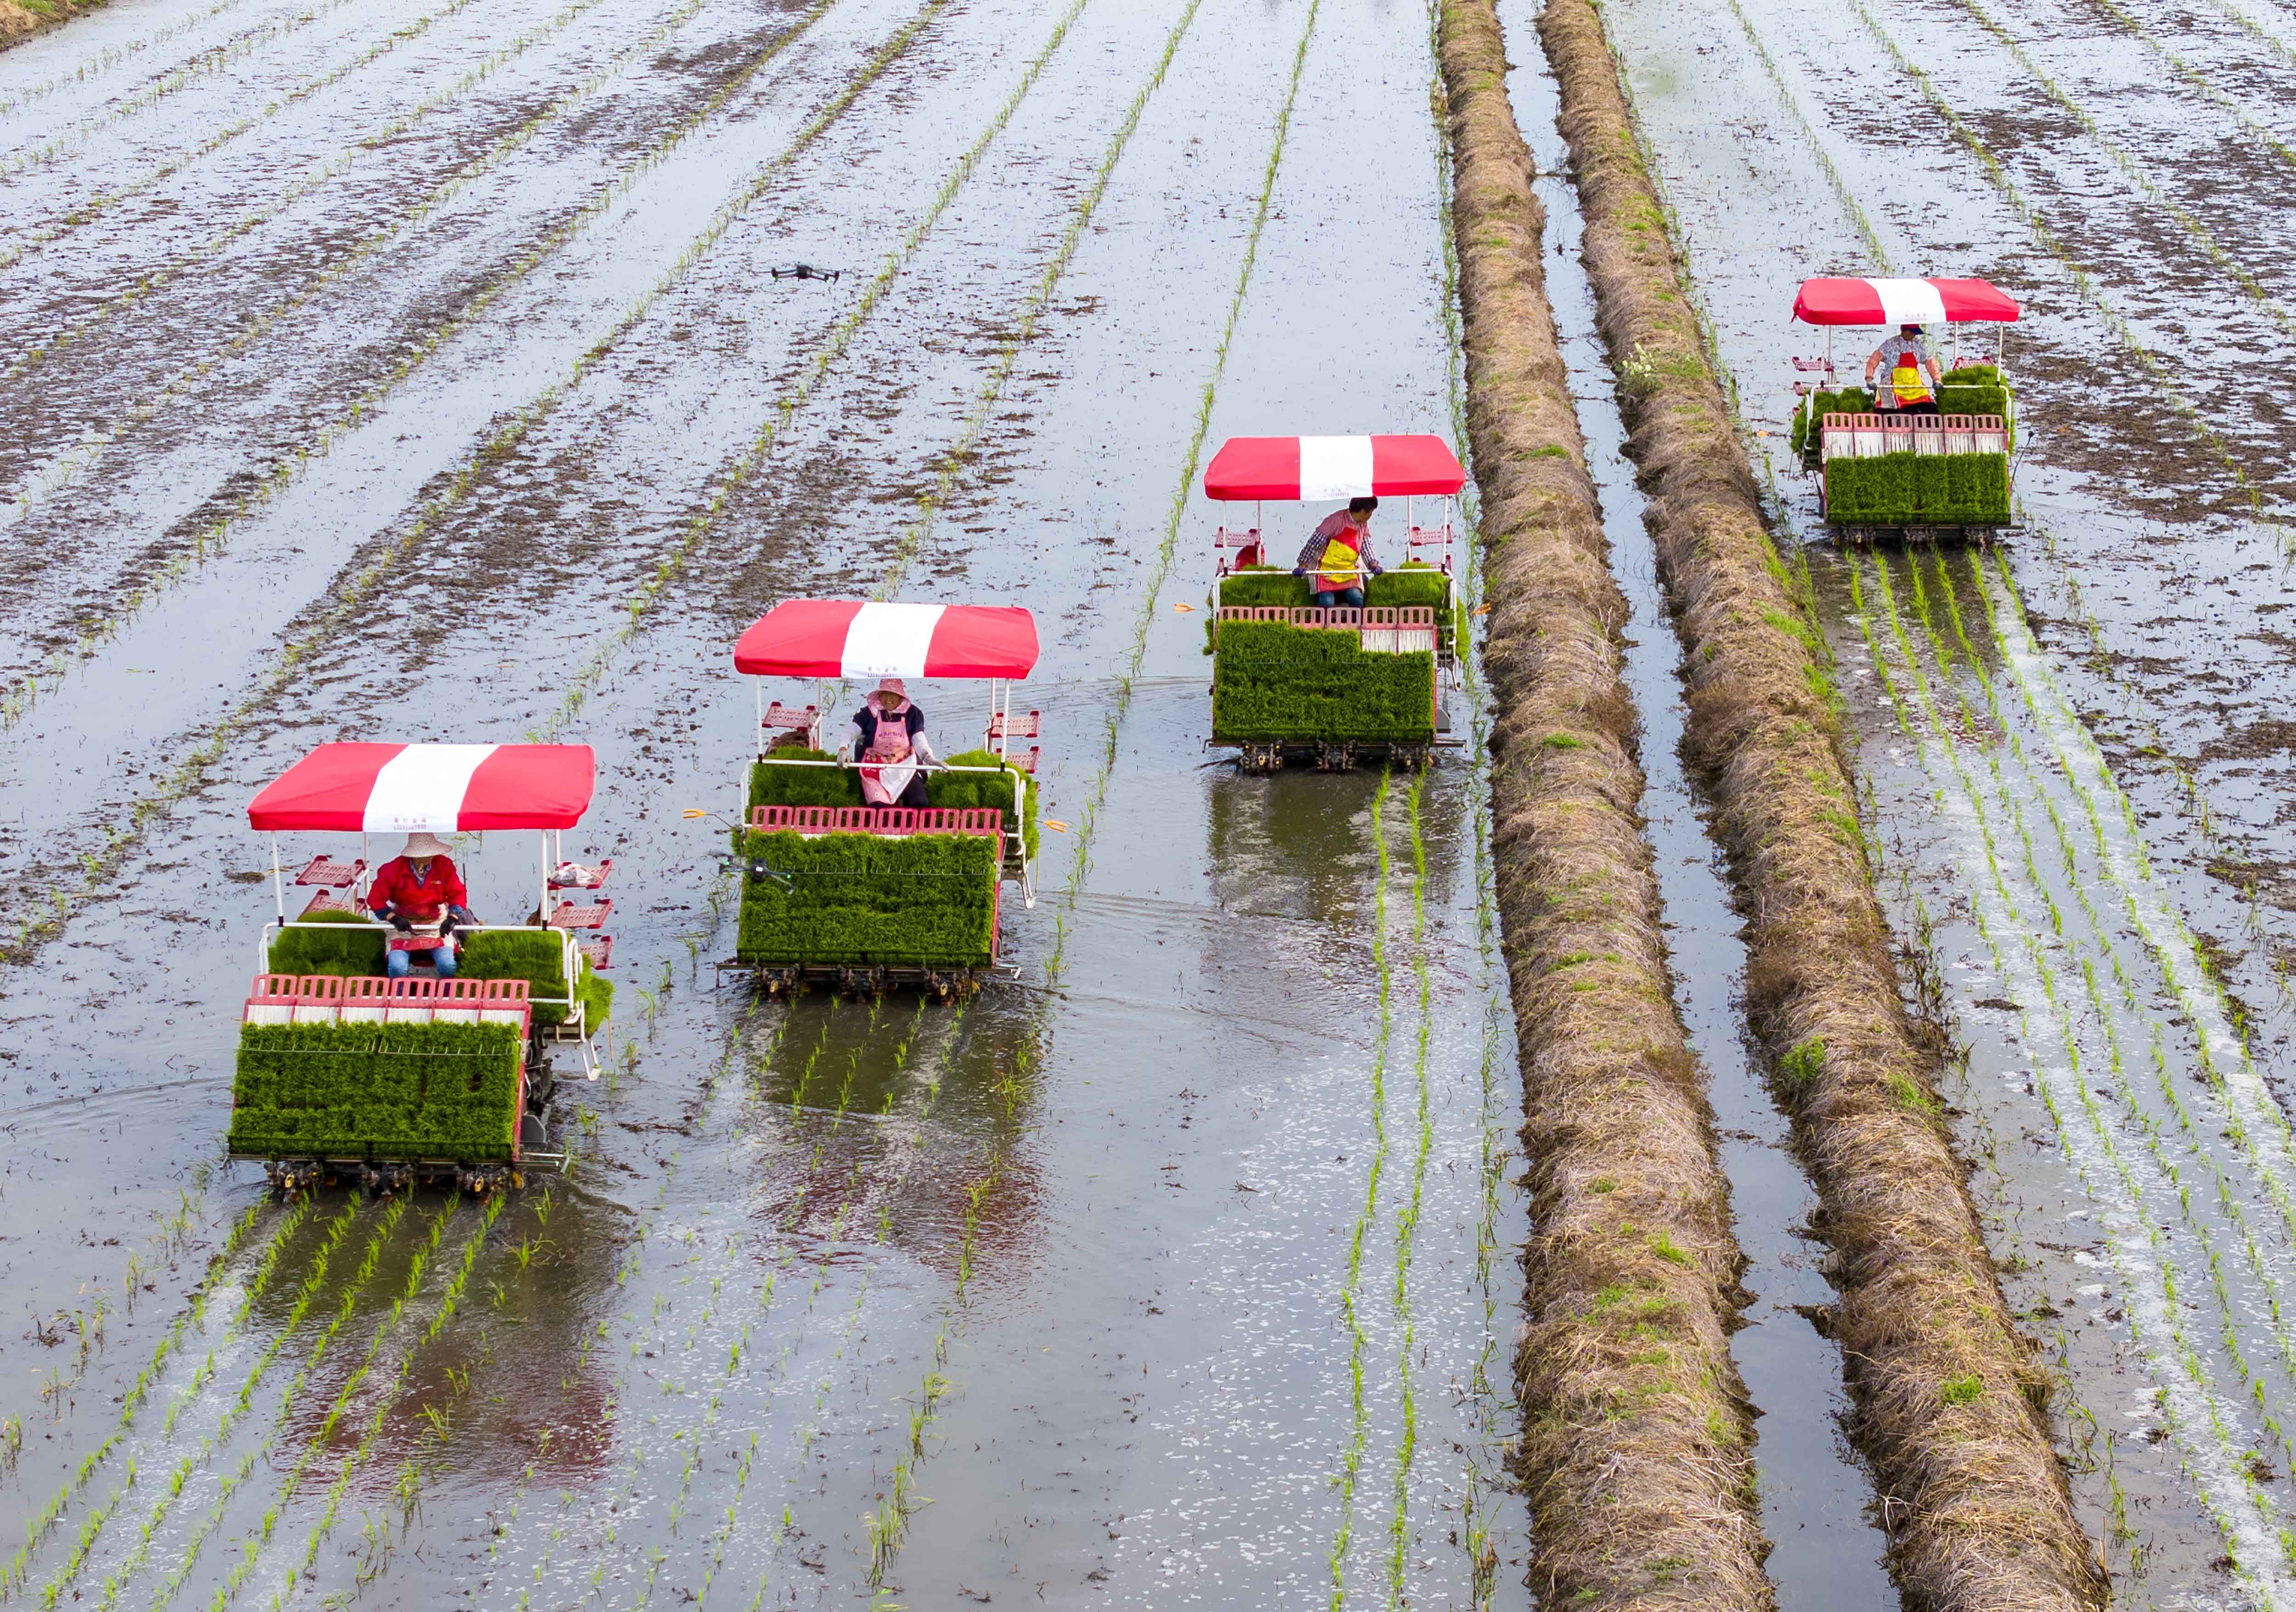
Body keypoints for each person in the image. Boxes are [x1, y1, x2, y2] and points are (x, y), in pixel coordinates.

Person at [367, 831, 473, 979]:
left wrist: (453, 917)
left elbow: (458, 893)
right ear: (414, 855)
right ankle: (399, 998)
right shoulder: (392, 870)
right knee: (397, 968)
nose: (430, 857)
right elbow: (375, 899)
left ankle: (445, 997)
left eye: (432, 853)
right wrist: (393, 918)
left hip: (436, 924)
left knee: (448, 966)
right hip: (403, 925)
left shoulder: (444, 866)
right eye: (425, 854)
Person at [844, 678, 938, 807]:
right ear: (879, 696)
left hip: (906, 768)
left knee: (920, 802)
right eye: (885, 694)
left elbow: (919, 739)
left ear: (900, 696)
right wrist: (843, 749)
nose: (888, 699)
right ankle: (880, 826)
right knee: (880, 806)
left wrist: (929, 758)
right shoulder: (868, 714)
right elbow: (852, 730)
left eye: (893, 694)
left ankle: (912, 827)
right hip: (875, 769)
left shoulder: (913, 714)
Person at [1293, 496, 1384, 609]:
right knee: (1327, 602)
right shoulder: (1334, 521)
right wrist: (1303, 565)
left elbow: (1366, 546)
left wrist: (1373, 564)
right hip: (1327, 573)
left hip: (1348, 573)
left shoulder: (1363, 525)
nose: (1371, 515)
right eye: (1371, 512)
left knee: (1356, 599)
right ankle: (1319, 623)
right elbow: (1313, 544)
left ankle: (1355, 625)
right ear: (1363, 511)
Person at [1865, 322, 1943, 416]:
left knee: (1930, 408)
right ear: (1904, 331)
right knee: (1896, 411)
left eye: (1915, 333)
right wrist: (1869, 378)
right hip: (1893, 382)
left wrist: (1937, 379)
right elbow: (1874, 360)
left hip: (1914, 383)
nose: (1913, 335)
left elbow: (1930, 361)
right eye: (1911, 332)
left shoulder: (1919, 345)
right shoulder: (1890, 344)